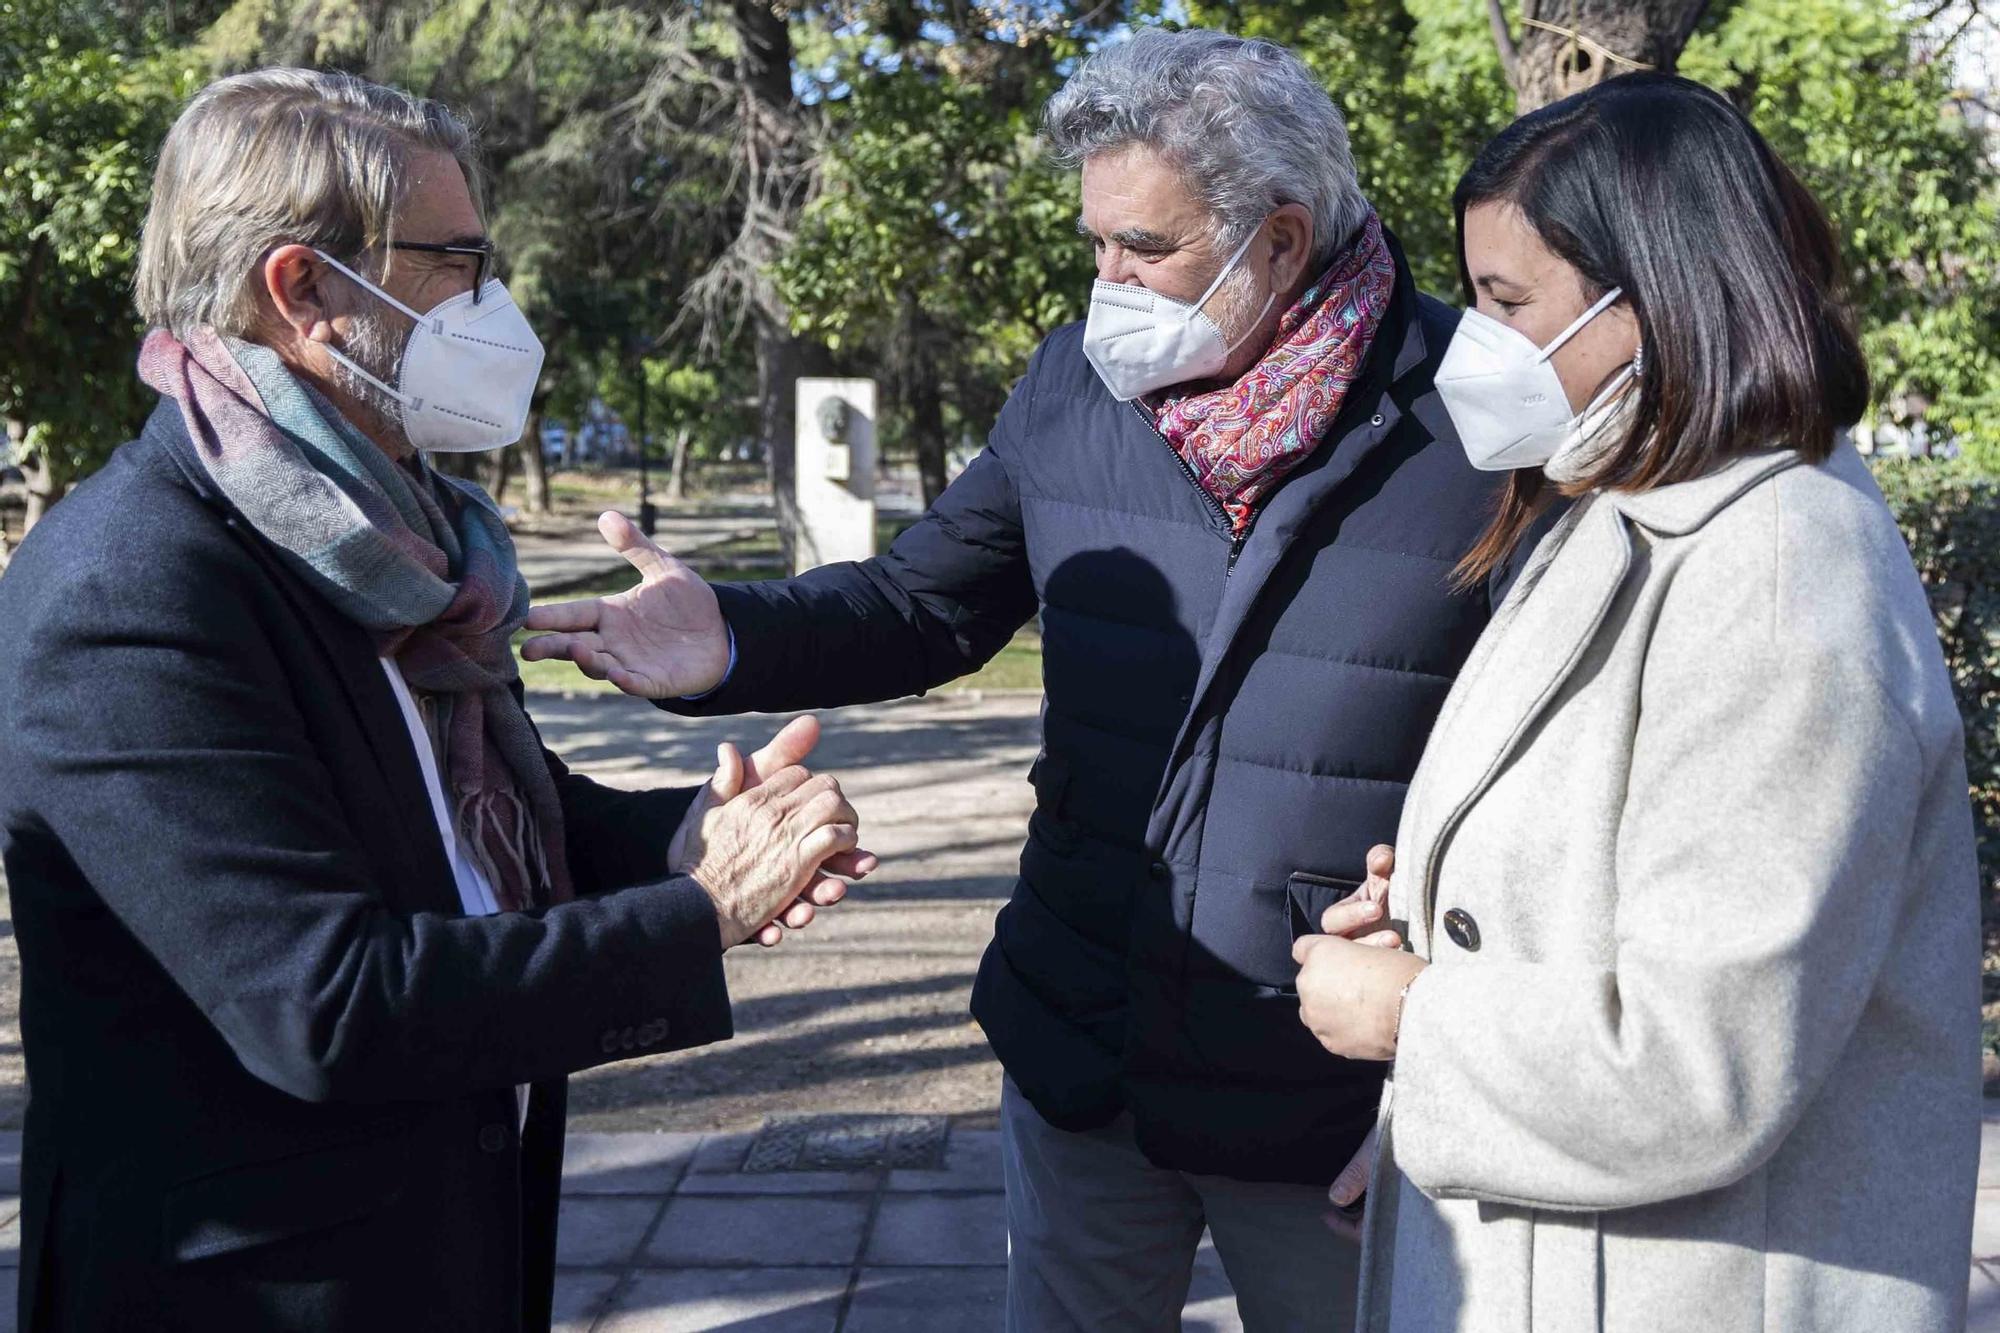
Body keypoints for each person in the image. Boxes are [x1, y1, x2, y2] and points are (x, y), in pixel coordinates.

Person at [523, 28, 1530, 1332]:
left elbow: (1557, 775)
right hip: (1084, 1046)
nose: (1107, 282)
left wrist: (1448, 1075)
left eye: (1146, 250)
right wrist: (727, 639)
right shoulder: (1076, 386)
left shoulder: (1486, 417)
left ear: (1282, 241)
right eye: (1093, 243)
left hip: (1336, 1086)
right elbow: (923, 602)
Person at [0, 69, 875, 1333]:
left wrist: (680, 838)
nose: (494, 303)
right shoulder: (133, 582)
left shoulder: (403, 537)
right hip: (258, 1287)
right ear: (304, 291)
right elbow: (330, 1000)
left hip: (442, 1241)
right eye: (459, 259)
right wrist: (701, 913)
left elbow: (477, 822)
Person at [1291, 73, 1982, 1331]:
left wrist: (1409, 1018)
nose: (1475, 341)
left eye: (1507, 303)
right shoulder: (1624, 512)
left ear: (1656, 297)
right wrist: (1443, 909)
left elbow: (1700, 1062)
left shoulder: (1777, 569)